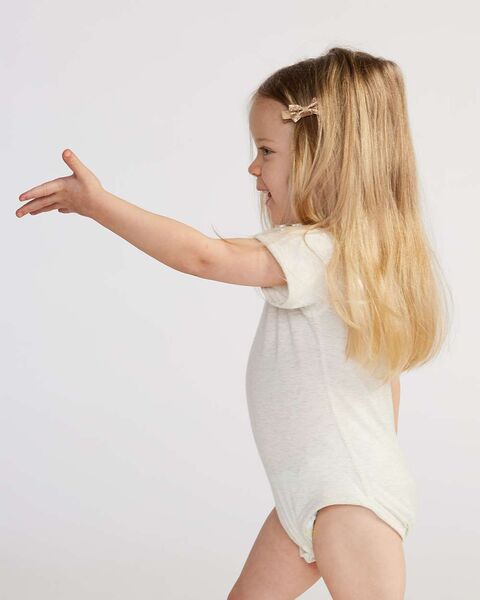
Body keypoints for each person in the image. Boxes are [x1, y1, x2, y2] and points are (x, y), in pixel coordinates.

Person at [15, 46, 450, 599]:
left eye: (266, 151)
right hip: (308, 494)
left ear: (327, 158)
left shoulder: (316, 251)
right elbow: (384, 380)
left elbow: (204, 256)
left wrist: (99, 205)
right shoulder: (349, 258)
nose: (253, 167)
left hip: (347, 498)